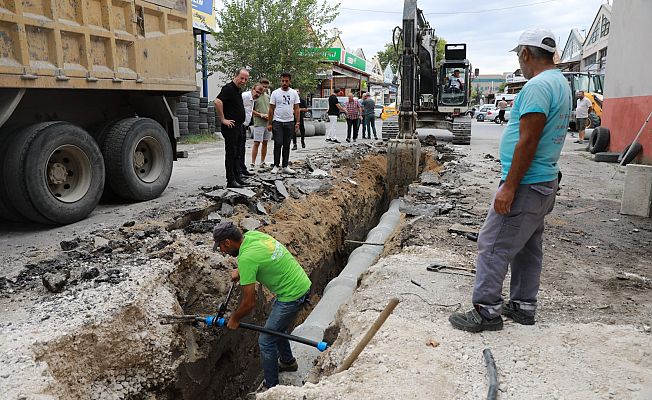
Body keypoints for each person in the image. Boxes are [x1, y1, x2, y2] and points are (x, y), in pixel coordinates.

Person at [449, 28, 571, 332]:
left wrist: (510, 186)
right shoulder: (560, 83)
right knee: (529, 245)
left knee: (492, 243)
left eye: (519, 56)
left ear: (526, 54)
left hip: (527, 183)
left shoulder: (538, 86)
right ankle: (522, 305)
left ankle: (487, 311)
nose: (520, 62)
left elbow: (527, 141)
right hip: (544, 181)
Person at [212, 221, 311, 390]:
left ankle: (271, 388)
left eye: (221, 247)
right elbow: (258, 257)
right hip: (299, 284)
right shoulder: (253, 236)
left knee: (266, 340)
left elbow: (249, 303)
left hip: (292, 295)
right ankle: (288, 362)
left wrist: (235, 318)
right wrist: (241, 271)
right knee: (275, 328)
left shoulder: (247, 258)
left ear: (228, 242)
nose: (222, 251)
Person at [215, 68, 249, 188]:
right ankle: (230, 180)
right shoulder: (228, 89)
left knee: (238, 153)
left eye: (245, 79)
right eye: (241, 78)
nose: (243, 81)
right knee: (231, 153)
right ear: (236, 76)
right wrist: (223, 119)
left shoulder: (238, 90)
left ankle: (237, 176)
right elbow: (218, 101)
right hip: (231, 127)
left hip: (239, 126)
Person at [267, 72, 300, 174]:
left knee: (287, 144)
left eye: (286, 81)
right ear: (280, 81)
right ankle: (276, 165)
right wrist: (270, 123)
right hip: (277, 121)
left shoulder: (294, 93)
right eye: (282, 81)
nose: (284, 83)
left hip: (289, 122)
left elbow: (297, 108)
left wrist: (297, 122)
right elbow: (271, 109)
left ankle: (285, 166)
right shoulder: (275, 93)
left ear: (290, 81)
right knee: (278, 143)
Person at [241, 84, 264, 176]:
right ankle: (237, 171)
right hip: (239, 124)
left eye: (260, 93)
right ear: (252, 89)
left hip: (245, 125)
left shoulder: (254, 99)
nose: (258, 94)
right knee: (237, 150)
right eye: (257, 91)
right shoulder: (245, 96)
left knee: (242, 149)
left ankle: (242, 169)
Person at [251, 78, 271, 170]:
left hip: (267, 123)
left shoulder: (268, 96)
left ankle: (262, 161)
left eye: (266, 87)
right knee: (257, 143)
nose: (265, 88)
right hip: (258, 122)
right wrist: (261, 115)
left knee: (265, 142)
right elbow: (250, 110)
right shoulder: (255, 96)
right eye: (263, 86)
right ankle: (253, 162)